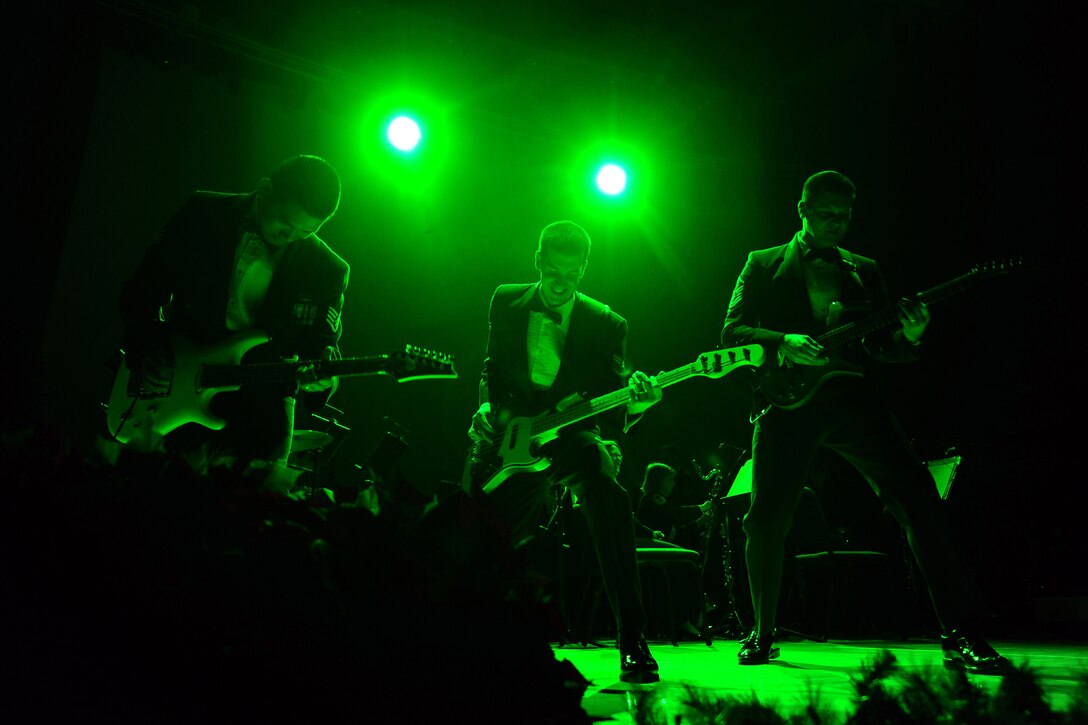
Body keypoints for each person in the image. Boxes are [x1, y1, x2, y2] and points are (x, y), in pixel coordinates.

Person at [720, 170, 1010, 673]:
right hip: (787, 403)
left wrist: (912, 336)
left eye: (846, 215)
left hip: (853, 399)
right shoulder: (763, 263)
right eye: (827, 214)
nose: (837, 224)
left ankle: (960, 630)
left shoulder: (864, 268)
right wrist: (784, 341)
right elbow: (732, 329)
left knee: (920, 500)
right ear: (803, 209)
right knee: (766, 520)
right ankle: (761, 631)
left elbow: (881, 346)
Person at [465, 220, 664, 684]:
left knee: (608, 492)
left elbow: (615, 401)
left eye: (572, 276)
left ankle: (633, 640)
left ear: (584, 270)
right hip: (512, 436)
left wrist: (639, 401)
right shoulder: (504, 299)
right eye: (554, 272)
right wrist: (486, 410)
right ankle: (475, 639)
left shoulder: (608, 322)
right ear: (538, 261)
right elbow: (493, 366)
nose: (561, 284)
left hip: (572, 433)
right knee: (484, 529)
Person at [115, 154, 349, 484]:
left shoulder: (328, 270)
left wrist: (325, 377)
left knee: (249, 516)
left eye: (306, 231)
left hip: (261, 409)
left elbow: (321, 348)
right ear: (264, 189)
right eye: (285, 221)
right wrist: (149, 349)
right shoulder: (202, 213)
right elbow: (141, 291)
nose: (290, 235)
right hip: (176, 382)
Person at [635, 462, 712, 545]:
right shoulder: (654, 497)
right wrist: (702, 507)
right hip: (654, 545)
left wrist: (699, 523)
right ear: (660, 480)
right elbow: (677, 514)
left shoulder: (653, 496)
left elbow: (673, 531)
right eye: (670, 479)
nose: (673, 483)